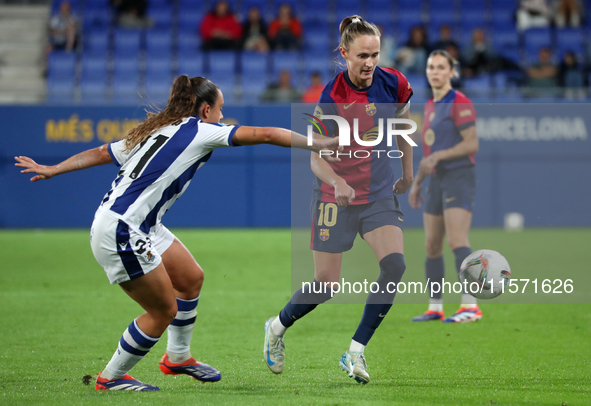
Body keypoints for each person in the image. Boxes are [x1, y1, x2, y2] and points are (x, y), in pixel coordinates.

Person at [15, 75, 339, 391]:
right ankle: (110, 378)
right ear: (204, 110)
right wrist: (319, 142)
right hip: (121, 231)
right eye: (220, 109)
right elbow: (267, 133)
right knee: (163, 311)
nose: (222, 116)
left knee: (190, 278)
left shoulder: (155, 129)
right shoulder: (201, 131)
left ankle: (177, 357)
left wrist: (54, 168)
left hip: (138, 225)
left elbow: (101, 153)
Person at [263, 15, 414, 384]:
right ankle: (276, 327)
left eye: (375, 54)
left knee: (394, 266)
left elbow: (404, 130)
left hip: (377, 193)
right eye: (362, 55)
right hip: (336, 196)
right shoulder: (330, 98)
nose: (369, 63)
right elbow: (316, 159)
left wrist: (408, 173)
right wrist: (338, 183)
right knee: (327, 285)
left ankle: (356, 352)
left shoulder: (394, 82)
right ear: (344, 53)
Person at [408, 50, 480, 323]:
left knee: (457, 240)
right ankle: (435, 307)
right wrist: (417, 185)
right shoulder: (429, 106)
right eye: (431, 67)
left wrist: (441, 156)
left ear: (452, 72)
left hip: (459, 176)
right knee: (431, 244)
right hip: (435, 180)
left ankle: (470, 306)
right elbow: (429, 155)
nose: (435, 71)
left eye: (441, 67)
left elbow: (471, 143)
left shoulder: (459, 102)